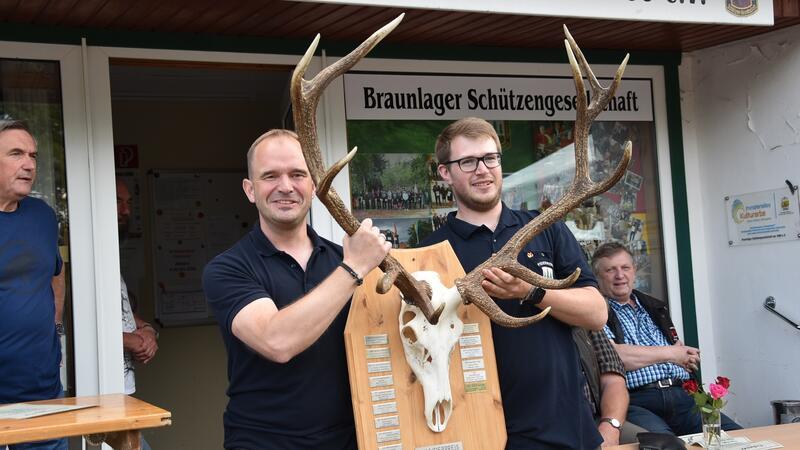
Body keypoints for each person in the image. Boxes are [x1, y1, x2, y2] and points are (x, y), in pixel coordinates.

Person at [421, 117, 608, 449]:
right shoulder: (431, 252)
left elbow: (596, 314)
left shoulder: (545, 227)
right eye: (468, 162)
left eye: (491, 158)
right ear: (445, 173)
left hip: (564, 425)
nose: (483, 170)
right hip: (480, 429)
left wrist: (530, 292)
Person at [202, 129, 391, 450]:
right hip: (261, 442)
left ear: (315, 185)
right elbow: (276, 341)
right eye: (270, 176)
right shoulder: (227, 269)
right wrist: (355, 267)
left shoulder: (342, 260)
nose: (285, 186)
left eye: (297, 174)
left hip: (350, 440)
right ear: (250, 190)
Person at [591, 242, 742, 436]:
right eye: (611, 270)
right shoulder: (597, 312)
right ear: (597, 277)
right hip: (636, 400)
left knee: (738, 437)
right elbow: (614, 356)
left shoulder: (653, 307)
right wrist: (672, 354)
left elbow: (677, 352)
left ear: (634, 271)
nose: (620, 275)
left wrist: (683, 355)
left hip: (683, 396)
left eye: (625, 268)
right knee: (666, 446)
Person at [0, 119, 66, 450]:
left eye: (33, 156)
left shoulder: (42, 215)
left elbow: (55, 271)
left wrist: (53, 324)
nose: (29, 164)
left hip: (42, 388)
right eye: (16, 153)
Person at [116, 177, 158, 450]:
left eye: (129, 203)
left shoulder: (108, 254)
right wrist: (127, 340)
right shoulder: (84, 256)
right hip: (96, 389)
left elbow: (124, 311)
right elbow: (75, 324)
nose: (126, 211)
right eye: (118, 202)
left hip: (123, 389)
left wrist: (147, 332)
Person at [573, 327, 647, 446]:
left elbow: (614, 381)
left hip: (593, 420)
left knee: (652, 445)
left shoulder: (585, 320)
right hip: (549, 426)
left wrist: (610, 427)